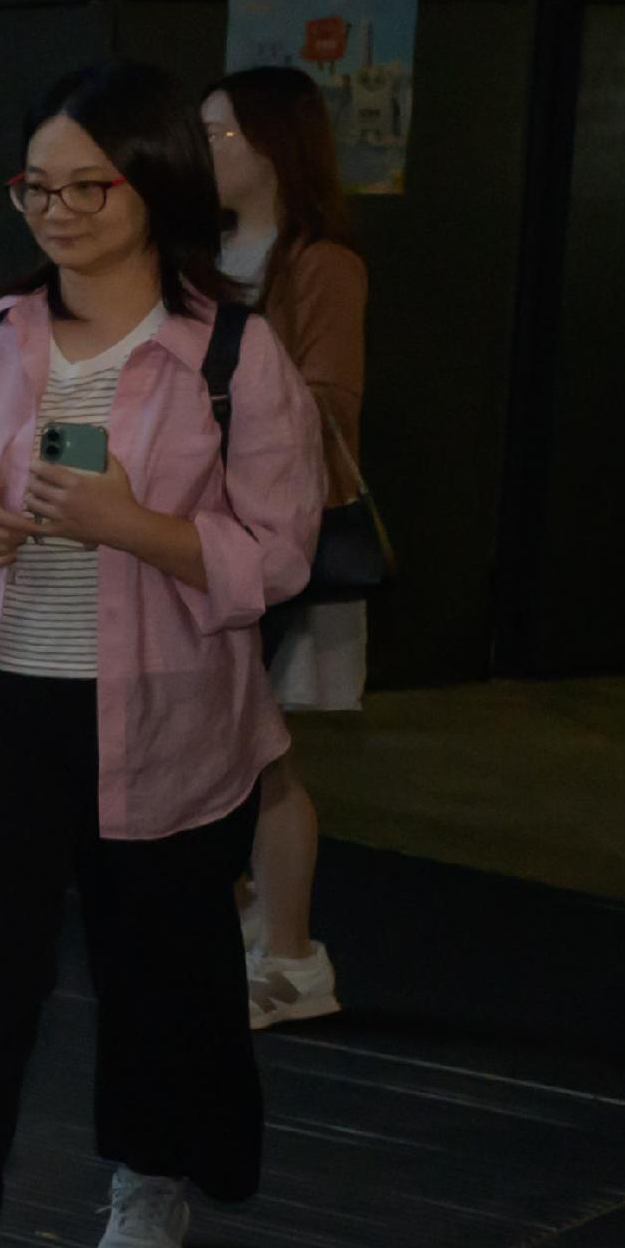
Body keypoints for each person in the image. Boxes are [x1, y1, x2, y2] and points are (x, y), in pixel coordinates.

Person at [0, 62, 325, 1248]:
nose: (60, 212)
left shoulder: (232, 353)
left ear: (153, 186)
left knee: (162, 973)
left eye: (91, 186)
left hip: (171, 718)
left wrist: (135, 526)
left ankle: (151, 1175)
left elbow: (279, 555)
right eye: (39, 188)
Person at [206, 62, 371, 1028]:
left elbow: (330, 404)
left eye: (220, 133)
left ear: (274, 145)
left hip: (277, 534)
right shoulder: (206, 252)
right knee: (222, 742)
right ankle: (254, 930)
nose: (204, 150)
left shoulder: (319, 263)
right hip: (205, 532)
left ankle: (292, 959)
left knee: (260, 750)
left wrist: (218, 407)